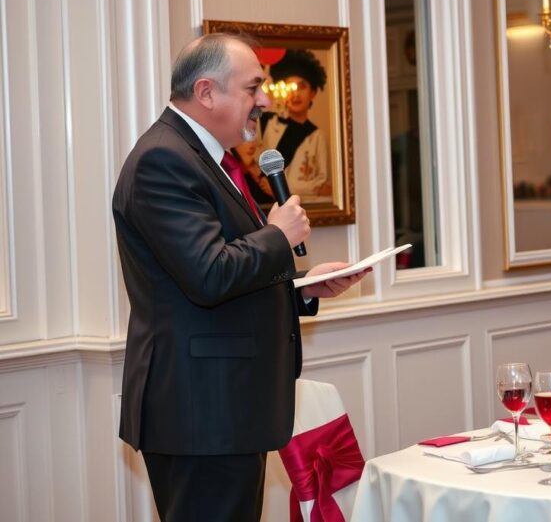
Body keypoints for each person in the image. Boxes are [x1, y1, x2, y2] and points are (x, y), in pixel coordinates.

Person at [112, 33, 369, 522]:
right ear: (207, 93)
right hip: (200, 411)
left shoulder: (206, 158)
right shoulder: (162, 160)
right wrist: (276, 235)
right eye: (253, 87)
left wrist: (301, 287)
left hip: (224, 407)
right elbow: (208, 275)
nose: (265, 100)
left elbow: (224, 276)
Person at [260, 48, 332, 199]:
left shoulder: (316, 135)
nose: (295, 94)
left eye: (302, 87)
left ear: (312, 92)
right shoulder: (267, 123)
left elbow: (321, 183)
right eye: (289, 87)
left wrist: (282, 186)